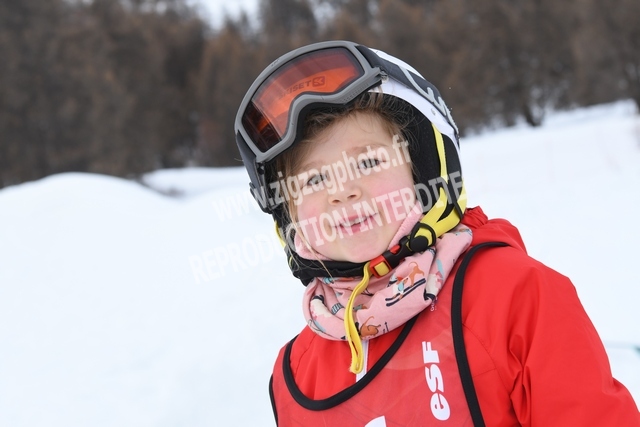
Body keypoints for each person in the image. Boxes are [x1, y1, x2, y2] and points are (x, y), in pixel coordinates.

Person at [234, 40, 640, 426]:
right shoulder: (295, 375)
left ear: (425, 168)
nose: (343, 191)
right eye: (314, 179)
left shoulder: (513, 297)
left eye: (368, 162)